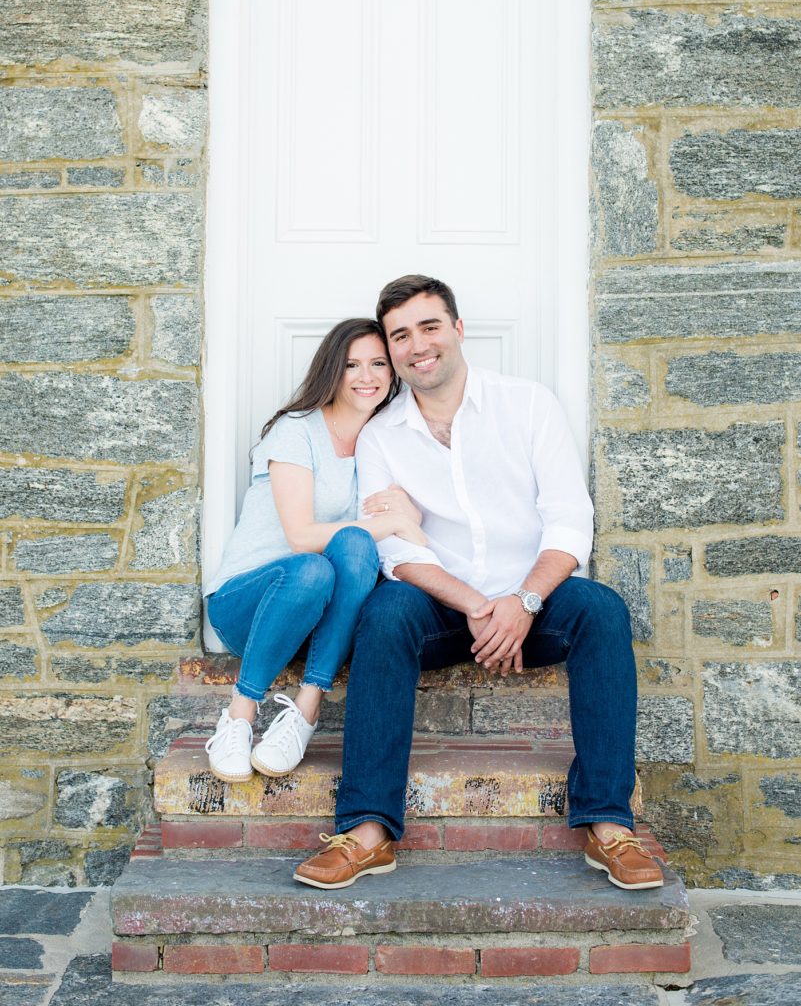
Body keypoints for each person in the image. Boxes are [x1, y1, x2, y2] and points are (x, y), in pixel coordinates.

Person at [294, 275, 664, 893]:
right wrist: (475, 604)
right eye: (400, 335)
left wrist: (522, 602)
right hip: (443, 608)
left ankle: (608, 824)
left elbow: (570, 521)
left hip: (534, 600)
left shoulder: (528, 404)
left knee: (602, 610)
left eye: (430, 326)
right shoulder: (382, 435)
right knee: (383, 615)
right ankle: (366, 830)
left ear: (458, 329)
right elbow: (396, 547)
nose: (418, 346)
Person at [203, 317, 426, 784]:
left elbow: (403, 522)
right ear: (332, 370)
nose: (367, 376)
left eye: (378, 363)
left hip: (317, 625)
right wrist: (393, 520)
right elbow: (301, 535)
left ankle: (304, 713)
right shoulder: (296, 430)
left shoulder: (382, 440)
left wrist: (409, 516)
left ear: (393, 372)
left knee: (353, 546)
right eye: (352, 365)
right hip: (248, 605)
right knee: (312, 568)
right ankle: (239, 716)